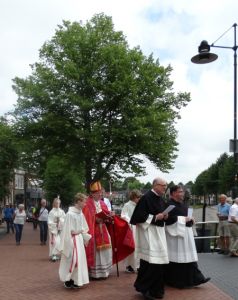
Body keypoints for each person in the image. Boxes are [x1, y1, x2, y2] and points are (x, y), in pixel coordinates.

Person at [130, 177, 170, 300]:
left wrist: (165, 215)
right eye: (163, 185)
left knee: (158, 263)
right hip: (149, 234)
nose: (165, 188)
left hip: (158, 232)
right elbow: (138, 216)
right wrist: (155, 217)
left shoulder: (160, 198)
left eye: (166, 186)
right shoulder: (146, 198)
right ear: (155, 185)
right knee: (152, 263)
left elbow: (161, 212)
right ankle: (147, 289)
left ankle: (156, 289)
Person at [164, 185, 210, 289]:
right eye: (180, 192)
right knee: (178, 259)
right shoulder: (168, 204)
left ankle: (197, 279)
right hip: (176, 236)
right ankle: (176, 281)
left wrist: (191, 219)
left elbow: (185, 217)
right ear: (174, 193)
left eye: (182, 192)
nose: (183, 193)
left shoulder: (183, 204)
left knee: (189, 257)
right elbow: (167, 220)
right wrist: (182, 219)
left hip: (186, 234)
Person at [59, 193, 91, 289]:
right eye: (84, 202)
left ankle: (76, 280)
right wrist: (69, 241)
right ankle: (68, 279)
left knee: (79, 260)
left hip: (79, 240)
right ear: (78, 201)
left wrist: (86, 238)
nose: (85, 204)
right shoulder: (70, 214)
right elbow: (66, 230)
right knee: (71, 259)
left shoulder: (80, 213)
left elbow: (84, 227)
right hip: (72, 241)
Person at [83, 181, 114, 279]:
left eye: (100, 193)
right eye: (98, 193)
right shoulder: (87, 203)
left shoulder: (102, 203)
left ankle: (104, 272)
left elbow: (107, 214)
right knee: (95, 251)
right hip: (93, 230)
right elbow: (85, 218)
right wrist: (95, 219)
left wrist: (109, 216)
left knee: (106, 250)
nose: (100, 194)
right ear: (92, 194)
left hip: (103, 228)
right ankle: (95, 274)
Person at [121, 189, 141, 273]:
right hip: (131, 228)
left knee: (139, 247)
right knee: (132, 247)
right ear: (133, 197)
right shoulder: (127, 205)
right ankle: (129, 265)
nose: (139, 199)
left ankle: (138, 265)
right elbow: (123, 216)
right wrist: (131, 221)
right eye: (138, 197)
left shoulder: (139, 205)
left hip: (139, 228)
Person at [48, 197, 66, 261]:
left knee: (60, 242)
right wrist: (55, 223)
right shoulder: (51, 212)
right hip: (54, 230)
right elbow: (49, 222)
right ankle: (53, 255)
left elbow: (65, 219)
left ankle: (58, 254)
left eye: (59, 203)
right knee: (54, 242)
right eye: (56, 203)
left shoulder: (62, 211)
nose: (58, 204)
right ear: (54, 203)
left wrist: (60, 221)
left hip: (60, 229)